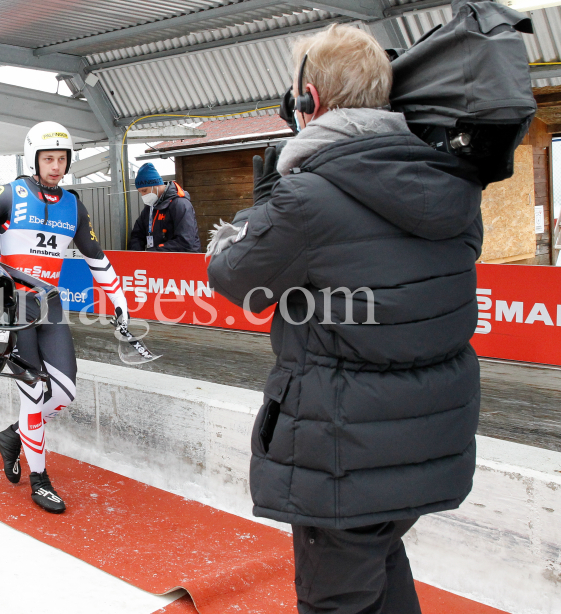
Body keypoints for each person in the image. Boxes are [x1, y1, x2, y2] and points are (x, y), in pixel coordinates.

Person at [205, 25, 483, 614]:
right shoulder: (453, 188)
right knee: (380, 564)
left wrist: (265, 204)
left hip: (342, 452)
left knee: (338, 600)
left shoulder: (305, 200)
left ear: (308, 100)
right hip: (423, 446)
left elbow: (236, 281)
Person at [0, 121, 129, 513]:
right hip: (14, 310)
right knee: (34, 396)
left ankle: (13, 436)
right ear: (34, 159)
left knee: (64, 392)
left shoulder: (74, 206)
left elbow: (97, 260)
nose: (56, 166)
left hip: (51, 307)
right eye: (48, 158)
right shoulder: (8, 193)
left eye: (62, 158)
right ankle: (40, 479)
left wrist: (119, 302)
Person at [128, 162, 201, 252]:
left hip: (184, 261)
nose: (143, 195)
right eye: (140, 192)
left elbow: (184, 241)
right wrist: (138, 255)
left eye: (144, 190)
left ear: (156, 185)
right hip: (158, 260)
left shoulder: (180, 204)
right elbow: (137, 235)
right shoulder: (149, 208)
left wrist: (153, 252)